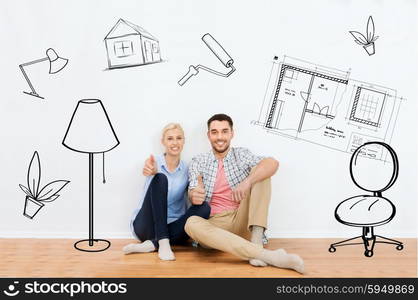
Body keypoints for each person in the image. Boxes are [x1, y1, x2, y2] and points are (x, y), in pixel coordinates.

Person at [184, 114, 304, 273]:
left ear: (232, 133)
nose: (220, 137)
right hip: (216, 225)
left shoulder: (241, 154)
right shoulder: (198, 161)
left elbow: (272, 163)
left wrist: (247, 182)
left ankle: (256, 241)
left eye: (224, 131)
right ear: (208, 135)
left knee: (261, 172)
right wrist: (195, 194)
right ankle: (267, 255)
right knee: (190, 223)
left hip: (242, 218)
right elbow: (194, 187)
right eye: (214, 132)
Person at [123, 123, 210, 261]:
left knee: (204, 208)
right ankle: (163, 242)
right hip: (146, 225)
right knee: (161, 178)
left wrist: (196, 192)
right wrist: (151, 170)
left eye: (179, 138)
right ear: (163, 142)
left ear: (184, 141)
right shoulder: (155, 162)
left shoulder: (188, 169)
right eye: (170, 139)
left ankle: (152, 244)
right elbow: (150, 167)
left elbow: (194, 193)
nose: (175, 143)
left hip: (173, 226)